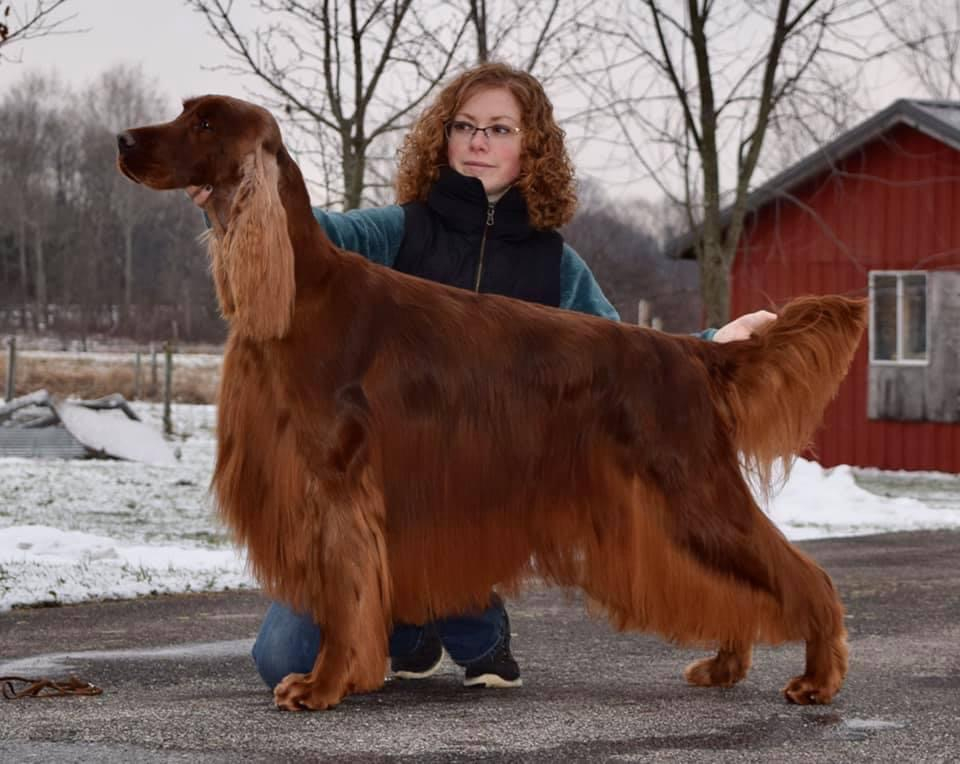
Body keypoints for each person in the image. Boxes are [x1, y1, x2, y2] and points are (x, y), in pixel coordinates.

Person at [188, 62, 775, 692]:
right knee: (282, 658)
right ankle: (406, 629)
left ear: (532, 148)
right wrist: (233, 194)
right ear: (443, 139)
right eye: (464, 126)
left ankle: (471, 623)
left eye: (499, 129)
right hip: (382, 500)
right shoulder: (398, 231)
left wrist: (714, 348)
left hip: (478, 507)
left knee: (457, 572)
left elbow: (625, 355)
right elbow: (313, 238)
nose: (477, 142)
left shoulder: (556, 267)